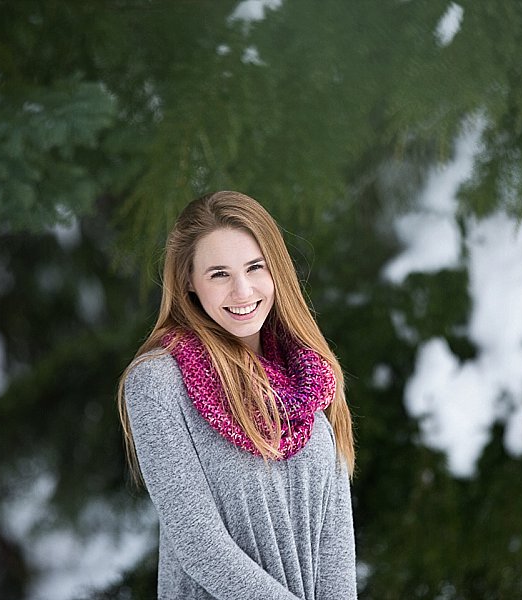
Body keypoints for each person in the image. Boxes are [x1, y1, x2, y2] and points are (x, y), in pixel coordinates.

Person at [117, 191, 357, 599]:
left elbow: (335, 546)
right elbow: (200, 546)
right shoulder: (158, 383)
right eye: (219, 274)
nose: (243, 291)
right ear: (189, 282)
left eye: (254, 267)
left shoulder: (310, 377)